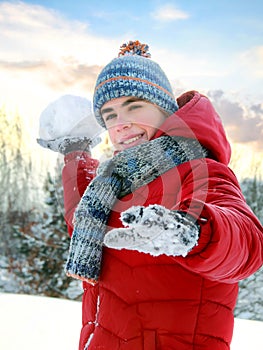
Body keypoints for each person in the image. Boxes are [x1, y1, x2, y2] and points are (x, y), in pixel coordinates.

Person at [38, 40, 263, 350]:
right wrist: (76, 153)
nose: (121, 124)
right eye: (110, 115)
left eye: (134, 107)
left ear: (165, 111)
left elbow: (248, 245)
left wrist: (192, 231)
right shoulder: (117, 181)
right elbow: (83, 223)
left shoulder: (198, 170)